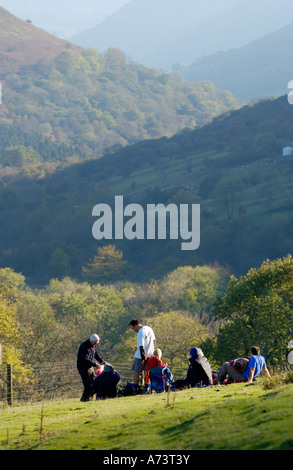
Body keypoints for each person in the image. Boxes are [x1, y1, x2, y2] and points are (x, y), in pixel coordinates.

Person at [77, 334, 107, 402]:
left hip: (90, 366)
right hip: (83, 367)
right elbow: (85, 359)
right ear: (91, 341)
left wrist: (101, 361)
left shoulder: (93, 346)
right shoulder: (84, 346)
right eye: (95, 342)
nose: (96, 344)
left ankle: (89, 397)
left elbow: (96, 355)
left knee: (93, 382)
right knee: (87, 383)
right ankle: (84, 398)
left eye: (97, 342)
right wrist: (95, 364)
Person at [129, 319, 156, 387]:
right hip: (150, 354)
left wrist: (143, 358)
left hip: (140, 356)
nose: (133, 330)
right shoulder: (149, 328)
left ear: (135, 326)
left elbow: (141, 346)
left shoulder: (140, 332)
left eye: (132, 328)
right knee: (146, 371)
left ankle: (135, 387)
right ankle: (147, 386)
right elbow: (154, 341)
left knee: (136, 371)